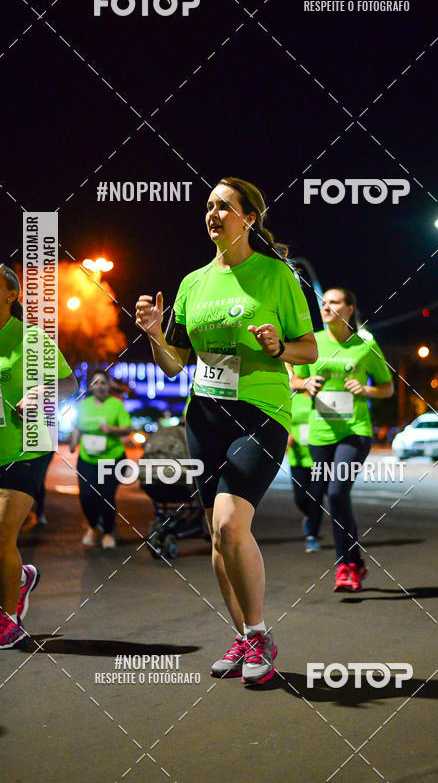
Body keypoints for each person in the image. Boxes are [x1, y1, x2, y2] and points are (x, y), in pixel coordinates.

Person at [136, 177, 317, 685]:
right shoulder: (193, 283)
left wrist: (279, 347)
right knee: (218, 534)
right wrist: (154, 334)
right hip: (205, 418)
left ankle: (259, 636)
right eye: (208, 206)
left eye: (223, 206)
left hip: (260, 414)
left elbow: (310, 349)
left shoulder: (275, 275)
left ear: (249, 218)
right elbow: (175, 364)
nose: (212, 214)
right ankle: (241, 635)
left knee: (232, 524)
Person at [0, 263, 76, 649]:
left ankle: (9, 621)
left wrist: (42, 393)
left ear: (11, 295)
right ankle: (19, 577)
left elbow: (70, 382)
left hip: (23, 451)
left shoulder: (31, 338)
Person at [290, 288, 393, 593]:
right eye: (323, 303)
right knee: (333, 497)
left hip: (354, 431)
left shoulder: (365, 344)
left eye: (333, 302)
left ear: (348, 309)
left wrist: (366, 390)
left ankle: (344, 566)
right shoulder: (313, 342)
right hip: (320, 433)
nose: (326, 307)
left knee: (336, 494)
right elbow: (294, 379)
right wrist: (306, 383)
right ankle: (355, 561)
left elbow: (387, 387)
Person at [69, 369, 132, 549]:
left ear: (108, 385)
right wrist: (73, 443)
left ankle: (108, 532)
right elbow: (77, 427)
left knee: (106, 496)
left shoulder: (116, 404)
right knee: (86, 496)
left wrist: (112, 429)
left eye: (103, 382)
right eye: (95, 383)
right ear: (90, 386)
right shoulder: (83, 405)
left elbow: (127, 428)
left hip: (112, 459)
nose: (100, 386)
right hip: (87, 459)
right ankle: (94, 527)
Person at [287, 389, 323, 553]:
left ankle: (312, 537)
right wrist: (287, 435)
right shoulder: (294, 398)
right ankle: (310, 517)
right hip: (298, 458)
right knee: (300, 498)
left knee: (316, 499)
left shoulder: (323, 398)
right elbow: (284, 420)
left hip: (319, 458)